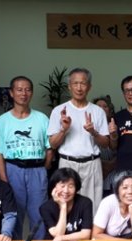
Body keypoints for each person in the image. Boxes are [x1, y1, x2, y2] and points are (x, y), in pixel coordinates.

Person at [0, 76, 51, 240]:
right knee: (13, 214)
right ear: (11, 93)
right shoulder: (2, 121)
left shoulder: (42, 118)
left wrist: (42, 169)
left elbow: (49, 148)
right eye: (19, 89)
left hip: (37, 170)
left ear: (31, 93)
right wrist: (4, 179)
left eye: (27, 89)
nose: (23, 93)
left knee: (39, 215)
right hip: (12, 170)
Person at [48, 68, 109, 214]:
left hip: (92, 164)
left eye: (83, 83)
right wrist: (64, 129)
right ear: (69, 86)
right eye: (75, 83)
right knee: (66, 206)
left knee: (93, 208)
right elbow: (53, 144)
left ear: (89, 86)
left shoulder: (97, 111)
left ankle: (90, 237)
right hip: (67, 164)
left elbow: (106, 143)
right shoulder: (59, 111)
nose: (79, 87)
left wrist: (93, 132)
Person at [40, 168, 93, 241]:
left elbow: (86, 234)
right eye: (62, 186)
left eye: (71, 186)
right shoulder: (45, 207)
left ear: (76, 188)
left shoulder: (85, 203)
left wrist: (60, 239)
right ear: (54, 187)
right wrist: (63, 206)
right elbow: (57, 234)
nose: (66, 191)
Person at [92, 171, 132, 240]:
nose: (130, 192)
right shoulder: (108, 202)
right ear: (117, 191)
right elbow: (96, 234)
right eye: (125, 188)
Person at [93, 95, 118, 197]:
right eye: (98, 106)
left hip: (114, 171)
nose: (102, 109)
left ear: (110, 110)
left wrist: (111, 165)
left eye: (105, 106)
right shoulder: (88, 127)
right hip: (95, 169)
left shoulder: (115, 126)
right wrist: (102, 164)